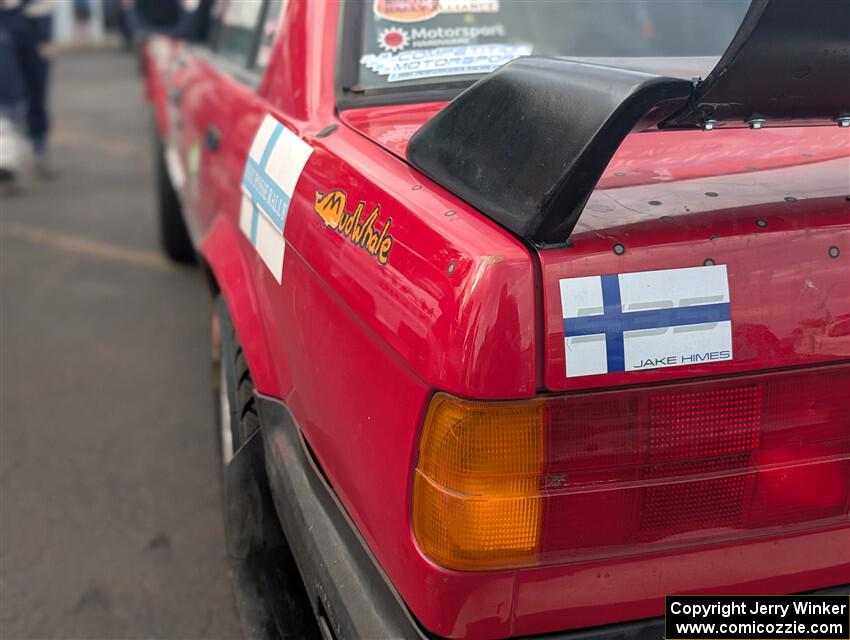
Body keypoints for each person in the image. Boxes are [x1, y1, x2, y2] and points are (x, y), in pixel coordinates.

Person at [0, 0, 55, 185]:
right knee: (6, 86)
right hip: (6, 15)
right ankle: (7, 154)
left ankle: (38, 146)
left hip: (39, 16)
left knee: (37, 86)